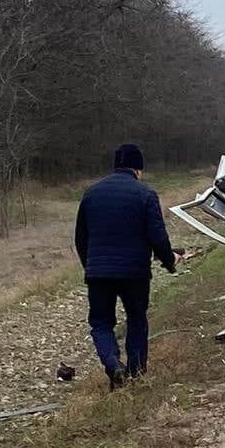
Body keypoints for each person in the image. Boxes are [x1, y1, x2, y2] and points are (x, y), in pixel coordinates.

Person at [74, 144, 180, 390]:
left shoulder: (91, 194)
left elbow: (81, 238)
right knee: (136, 319)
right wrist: (169, 260)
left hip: (99, 273)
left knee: (101, 323)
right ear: (139, 169)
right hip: (134, 273)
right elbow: (157, 236)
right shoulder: (145, 194)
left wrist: (89, 266)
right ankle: (136, 373)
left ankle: (113, 365)